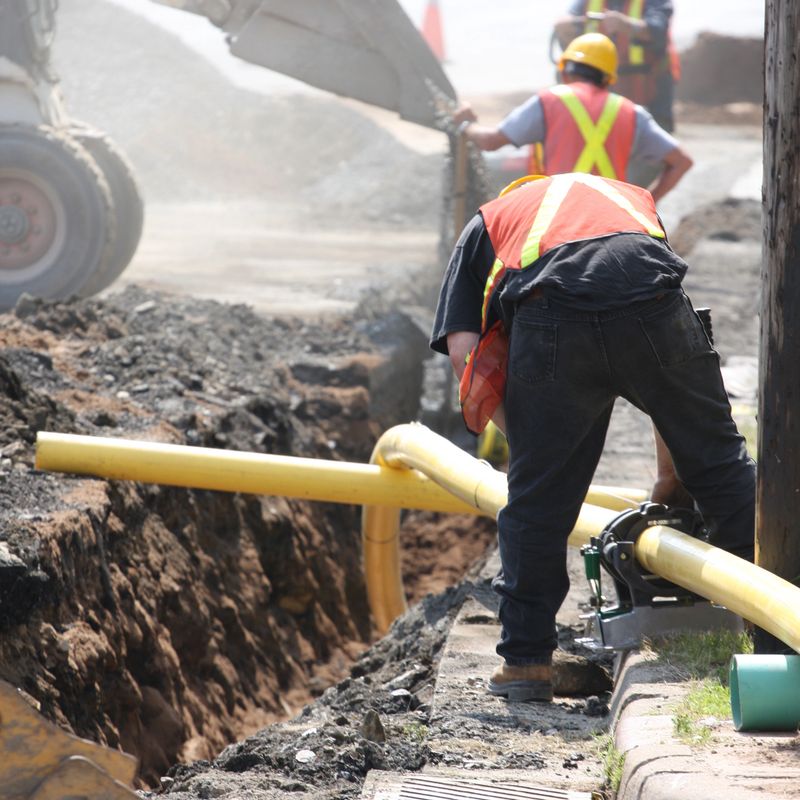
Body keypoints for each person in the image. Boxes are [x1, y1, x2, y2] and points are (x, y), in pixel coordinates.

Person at [429, 172, 757, 701]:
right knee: (721, 470)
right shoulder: (628, 201)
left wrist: (531, 440)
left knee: (539, 500)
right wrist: (670, 478)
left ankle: (526, 666)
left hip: (553, 319)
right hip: (653, 304)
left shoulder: (488, 222)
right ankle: (768, 635)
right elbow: (659, 323)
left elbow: (466, 354)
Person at [455, 33, 691, 202]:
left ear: (566, 69)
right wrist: (646, 202)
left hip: (556, 212)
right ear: (608, 77)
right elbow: (682, 162)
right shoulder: (631, 112)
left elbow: (490, 141)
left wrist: (468, 124)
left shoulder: (548, 101)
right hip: (613, 218)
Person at [554, 0, 679, 133]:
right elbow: (569, 17)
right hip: (601, 89)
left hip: (649, 91)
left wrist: (627, 25)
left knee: (655, 145)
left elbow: (658, 30)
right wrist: (565, 26)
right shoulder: (587, 2)